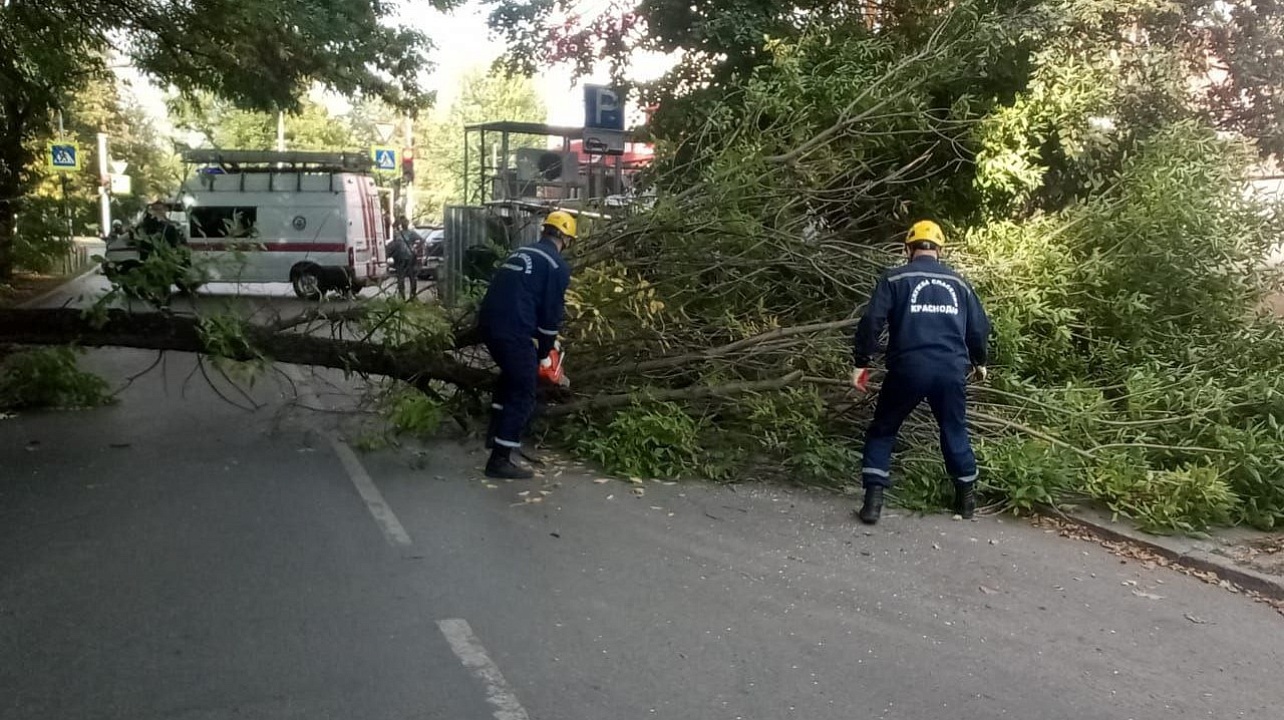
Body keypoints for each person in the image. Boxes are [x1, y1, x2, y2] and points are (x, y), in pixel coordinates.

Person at [850, 220, 991, 525]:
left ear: (907, 248)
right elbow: (978, 328)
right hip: (950, 369)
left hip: (908, 368)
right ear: (940, 250)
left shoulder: (895, 278)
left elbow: (872, 320)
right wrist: (979, 360)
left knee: (884, 429)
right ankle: (966, 501)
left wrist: (862, 362)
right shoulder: (960, 284)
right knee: (953, 429)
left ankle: (873, 503)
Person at [477, 210, 576, 479]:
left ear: (544, 231)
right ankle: (499, 460)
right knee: (524, 391)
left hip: (488, 324)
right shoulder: (556, 266)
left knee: (509, 379)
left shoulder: (521, 253)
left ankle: (495, 438)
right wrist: (545, 353)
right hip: (512, 330)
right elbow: (550, 316)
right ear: (566, 239)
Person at [387, 217, 421, 299]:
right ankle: (402, 296)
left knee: (412, 278)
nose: (404, 224)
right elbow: (394, 244)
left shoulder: (412, 233)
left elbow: (421, 240)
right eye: (403, 223)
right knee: (400, 278)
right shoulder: (398, 234)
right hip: (400, 259)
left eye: (405, 222)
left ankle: (413, 295)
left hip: (410, 258)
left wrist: (415, 248)